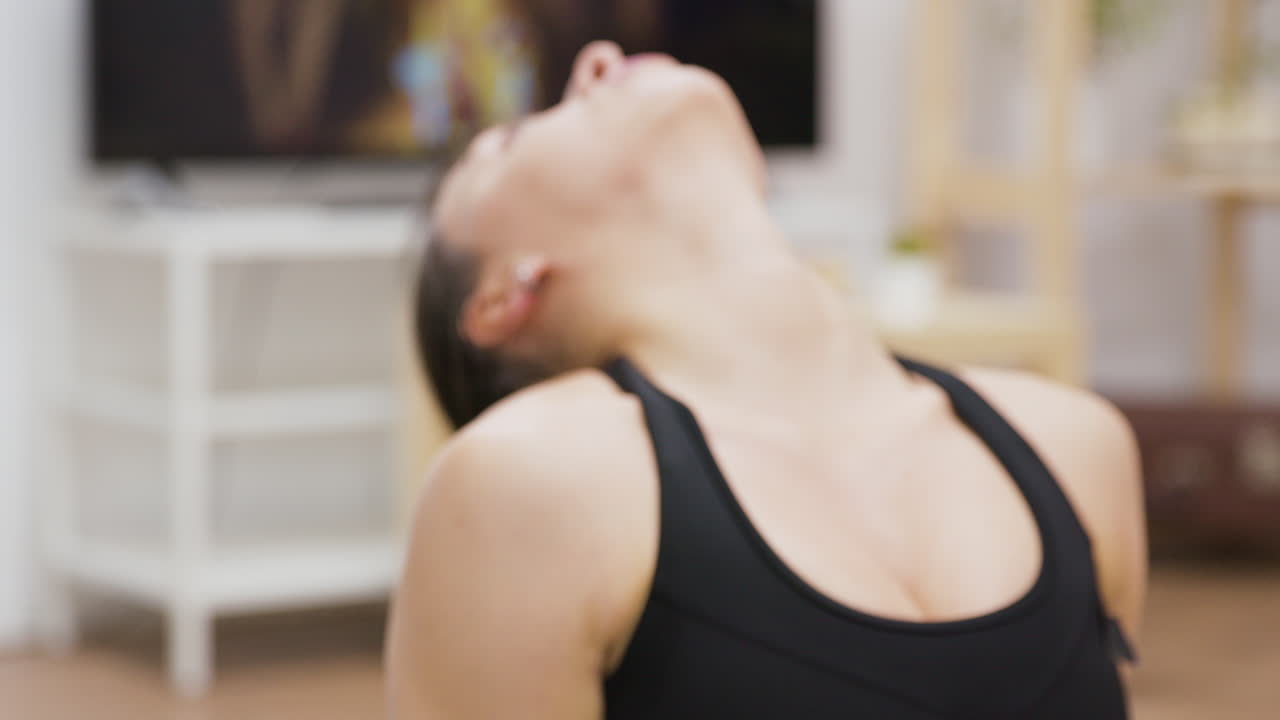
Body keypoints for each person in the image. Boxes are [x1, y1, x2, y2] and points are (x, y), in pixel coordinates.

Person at [386, 41, 1146, 719]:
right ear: (503, 295)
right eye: (511, 138)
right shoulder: (526, 485)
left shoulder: (1075, 444)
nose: (597, 58)